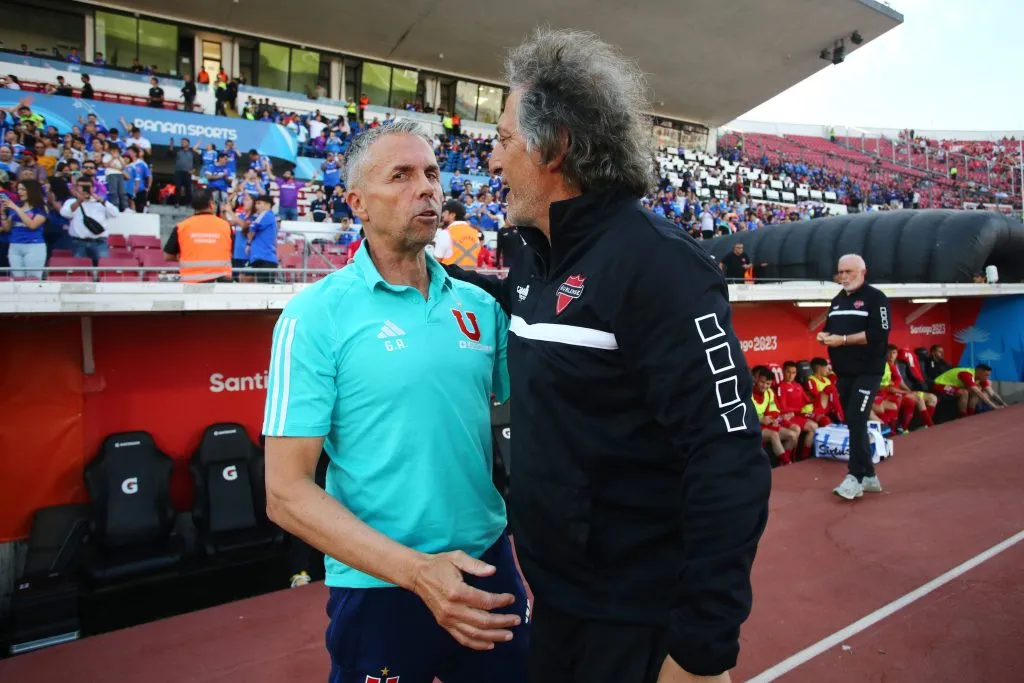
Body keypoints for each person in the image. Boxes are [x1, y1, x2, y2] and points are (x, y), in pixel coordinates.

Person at [444, 28, 771, 683]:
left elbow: (728, 458)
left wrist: (703, 651)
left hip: (635, 625)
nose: (492, 160)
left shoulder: (659, 267)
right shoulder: (535, 255)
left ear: (556, 145)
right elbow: (529, 301)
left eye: (505, 139)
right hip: (559, 605)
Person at [261, 120, 528, 683]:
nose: (426, 188)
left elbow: (535, 412)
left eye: (431, 173)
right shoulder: (314, 316)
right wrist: (416, 572)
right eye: (401, 176)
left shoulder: (482, 307)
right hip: (379, 586)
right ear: (357, 201)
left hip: (486, 564)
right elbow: (286, 494)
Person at [816, 253, 891, 500]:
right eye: (841, 272)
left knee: (857, 418)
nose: (844, 276)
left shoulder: (876, 298)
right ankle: (870, 476)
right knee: (851, 420)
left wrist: (844, 340)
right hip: (844, 373)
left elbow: (880, 333)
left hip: (867, 371)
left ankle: (855, 476)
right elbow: (831, 328)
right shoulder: (837, 299)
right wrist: (825, 336)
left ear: (862, 271)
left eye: (849, 271)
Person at [162, 189, 234, 283]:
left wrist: (185, 256)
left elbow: (167, 256)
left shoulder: (181, 227)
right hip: (221, 283)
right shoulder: (226, 226)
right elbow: (231, 253)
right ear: (211, 204)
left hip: (192, 283)